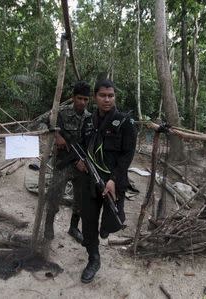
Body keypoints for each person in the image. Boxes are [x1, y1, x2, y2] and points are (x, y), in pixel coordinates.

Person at [79, 79, 137, 283]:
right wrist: (79, 161)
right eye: (103, 95)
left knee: (115, 221)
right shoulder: (88, 121)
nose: (107, 99)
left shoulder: (125, 122)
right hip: (91, 181)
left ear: (115, 97)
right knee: (88, 222)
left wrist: (113, 179)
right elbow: (82, 146)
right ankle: (93, 258)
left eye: (111, 95)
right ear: (95, 97)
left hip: (114, 181)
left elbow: (127, 155)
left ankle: (105, 228)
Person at [43, 81, 91, 243]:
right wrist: (57, 136)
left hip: (80, 165)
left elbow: (90, 143)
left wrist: (83, 160)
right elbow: (45, 121)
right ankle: (48, 226)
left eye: (86, 99)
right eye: (79, 98)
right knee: (54, 196)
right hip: (62, 162)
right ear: (73, 97)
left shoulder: (90, 118)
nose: (82, 102)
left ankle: (73, 227)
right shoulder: (61, 113)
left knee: (80, 200)